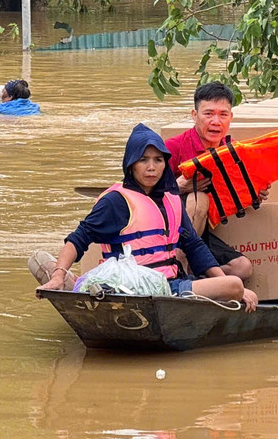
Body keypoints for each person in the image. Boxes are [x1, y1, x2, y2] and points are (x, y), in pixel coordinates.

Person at [34, 125, 257, 309]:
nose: (151, 168)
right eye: (143, 160)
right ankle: (70, 284)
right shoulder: (116, 201)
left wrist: (222, 283)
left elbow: (194, 246)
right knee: (235, 285)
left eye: (158, 160)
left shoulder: (171, 200)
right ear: (131, 165)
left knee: (233, 285)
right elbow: (78, 239)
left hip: (170, 285)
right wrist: (58, 276)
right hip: (130, 286)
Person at [163, 82, 255, 281]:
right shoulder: (173, 147)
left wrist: (255, 193)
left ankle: (192, 276)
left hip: (204, 232)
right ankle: (177, 267)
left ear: (231, 118)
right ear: (194, 115)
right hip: (170, 234)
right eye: (208, 114)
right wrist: (175, 187)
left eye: (223, 114)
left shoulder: (232, 152)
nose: (216, 121)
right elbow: (138, 193)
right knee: (199, 198)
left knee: (243, 268)